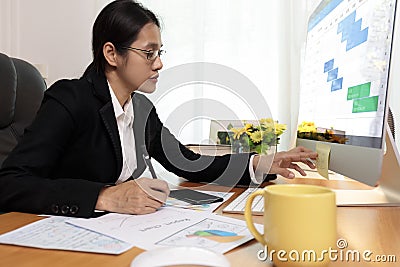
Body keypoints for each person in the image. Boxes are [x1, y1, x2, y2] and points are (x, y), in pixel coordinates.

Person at [0, 0, 317, 218]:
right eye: (149, 53)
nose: (160, 63)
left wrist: (259, 163)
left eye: (159, 52)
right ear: (111, 53)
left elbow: (188, 162)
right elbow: (10, 182)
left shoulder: (141, 109)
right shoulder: (70, 98)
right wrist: (104, 196)